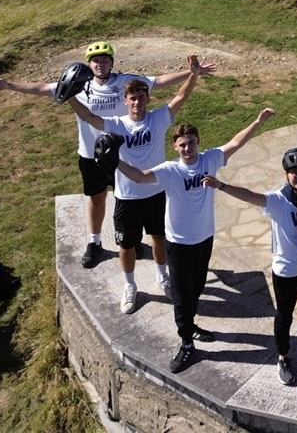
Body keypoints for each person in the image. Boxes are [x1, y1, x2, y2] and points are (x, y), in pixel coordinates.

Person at [0, 41, 216, 268]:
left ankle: (132, 239)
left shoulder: (124, 82)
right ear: (89, 64)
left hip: (124, 155)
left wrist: (191, 72)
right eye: (96, 60)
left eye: (105, 59)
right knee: (97, 198)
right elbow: (43, 89)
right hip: (91, 154)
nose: (101, 64)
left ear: (112, 62)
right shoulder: (78, 83)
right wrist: (9, 85)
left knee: (128, 198)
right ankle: (94, 242)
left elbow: (157, 81)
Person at [116, 107, 275, 374]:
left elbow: (236, 142)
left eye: (191, 143)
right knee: (181, 295)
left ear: (198, 142)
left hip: (204, 239)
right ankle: (186, 343)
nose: (187, 148)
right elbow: (140, 177)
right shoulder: (169, 170)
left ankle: (190, 326)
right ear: (175, 147)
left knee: (196, 289)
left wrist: (258, 121)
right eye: (182, 145)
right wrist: (114, 162)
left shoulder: (210, 160)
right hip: (178, 243)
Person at [64, 55, 205, 315]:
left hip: (157, 192)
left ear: (147, 99)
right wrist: (69, 95)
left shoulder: (158, 119)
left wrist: (193, 74)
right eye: (133, 98)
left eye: (141, 97)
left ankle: (162, 277)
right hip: (126, 196)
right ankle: (130, 286)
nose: (137, 102)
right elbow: (87, 115)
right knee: (126, 246)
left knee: (159, 238)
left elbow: (181, 97)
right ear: (125, 101)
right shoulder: (116, 125)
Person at [203, 143, 297, 386]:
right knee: (284, 316)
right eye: (295, 172)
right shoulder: (277, 201)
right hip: (287, 271)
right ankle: (283, 356)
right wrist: (221, 185)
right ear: (286, 174)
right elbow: (249, 195)